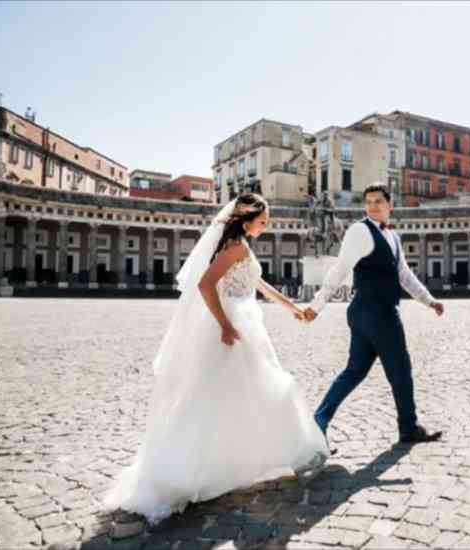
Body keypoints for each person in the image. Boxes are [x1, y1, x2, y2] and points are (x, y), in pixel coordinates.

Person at [103, 193, 328, 524]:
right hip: (235, 325)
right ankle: (282, 453)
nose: (266, 227)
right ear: (246, 218)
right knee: (264, 388)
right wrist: (224, 323)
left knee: (236, 394)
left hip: (244, 322)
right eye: (263, 221)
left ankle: (241, 458)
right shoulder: (235, 246)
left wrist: (292, 308)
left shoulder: (241, 246)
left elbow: (259, 284)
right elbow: (205, 284)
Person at [303, 183, 445, 448]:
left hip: (367, 312)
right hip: (376, 312)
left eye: (378, 201)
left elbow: (404, 274)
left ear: (390, 204)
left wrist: (429, 300)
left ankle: (319, 421)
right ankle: (408, 427)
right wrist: (316, 305)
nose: (372, 206)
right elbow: (340, 269)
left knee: (355, 370)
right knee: (400, 369)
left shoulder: (393, 236)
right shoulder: (359, 230)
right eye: (368, 201)